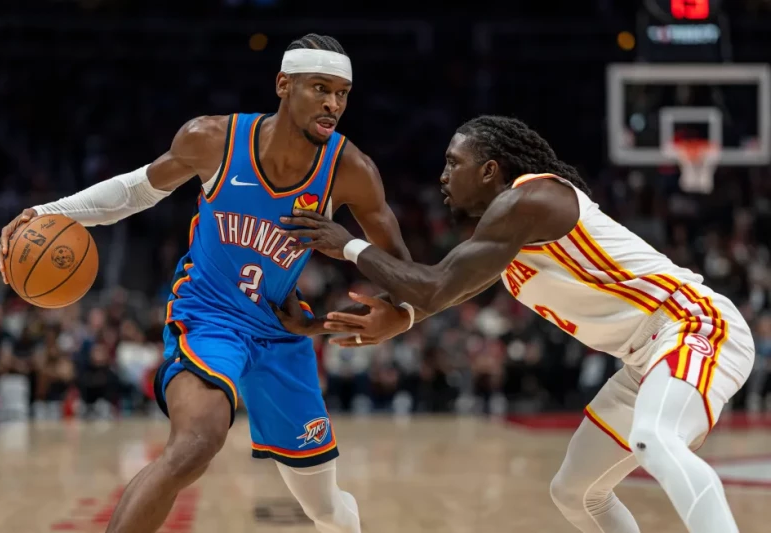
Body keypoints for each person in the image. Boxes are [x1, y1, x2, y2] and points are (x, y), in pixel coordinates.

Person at [0, 34, 417, 533]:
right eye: (320, 88)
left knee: (324, 507)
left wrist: (400, 313)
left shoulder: (351, 171)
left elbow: (401, 270)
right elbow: (134, 190)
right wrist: (47, 211)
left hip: (282, 330)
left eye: (342, 93)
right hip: (209, 315)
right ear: (283, 84)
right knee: (197, 441)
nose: (333, 104)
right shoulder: (214, 139)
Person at [276, 115, 754, 533]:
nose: (442, 176)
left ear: (490, 170)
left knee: (655, 439)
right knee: (574, 491)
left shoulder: (531, 199)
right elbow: (436, 294)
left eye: (453, 163)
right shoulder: (504, 237)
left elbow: (434, 287)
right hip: (643, 360)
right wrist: (336, 324)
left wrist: (349, 247)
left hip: (693, 325)